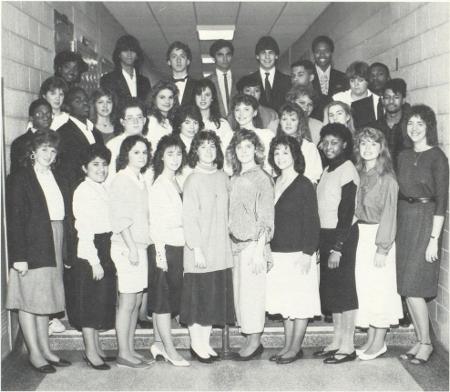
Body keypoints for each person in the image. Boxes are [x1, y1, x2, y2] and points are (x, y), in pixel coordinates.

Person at [6, 130, 71, 373]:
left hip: (54, 237)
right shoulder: (20, 178)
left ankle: (46, 349)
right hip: (32, 243)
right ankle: (34, 352)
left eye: (53, 150)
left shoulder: (57, 176)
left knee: (46, 298)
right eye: (44, 149)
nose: (49, 154)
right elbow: (15, 220)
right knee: (28, 300)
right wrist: (19, 257)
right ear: (33, 151)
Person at [396, 105, 448, 365]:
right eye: (410, 123)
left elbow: (442, 202)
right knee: (406, 287)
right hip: (405, 220)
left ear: (429, 127)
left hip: (427, 221)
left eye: (420, 124)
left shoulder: (437, 156)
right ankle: (419, 339)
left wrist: (434, 239)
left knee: (415, 286)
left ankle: (427, 343)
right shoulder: (403, 155)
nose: (414, 128)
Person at [181, 131, 235, 363]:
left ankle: (205, 343)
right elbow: (189, 217)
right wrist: (197, 248)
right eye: (203, 147)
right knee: (199, 299)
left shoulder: (224, 177)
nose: (208, 151)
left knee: (212, 298)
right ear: (195, 151)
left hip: (220, 247)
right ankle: (197, 343)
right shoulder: (192, 179)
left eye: (212, 146)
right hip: (200, 249)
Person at [266, 135, 320, 364]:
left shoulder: (304, 183)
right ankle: (287, 346)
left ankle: (295, 347)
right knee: (285, 303)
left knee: (300, 304)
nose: (280, 157)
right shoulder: (274, 182)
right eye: (276, 153)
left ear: (295, 155)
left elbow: (312, 221)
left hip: (299, 253)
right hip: (278, 252)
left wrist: (308, 253)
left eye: (285, 152)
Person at [353, 127, 403, 360]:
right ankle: (372, 339)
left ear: (381, 148)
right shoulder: (359, 173)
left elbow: (389, 215)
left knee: (381, 289)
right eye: (363, 143)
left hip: (379, 238)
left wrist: (382, 248)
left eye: (373, 144)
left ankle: (379, 341)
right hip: (362, 236)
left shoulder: (387, 179)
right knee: (367, 290)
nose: (368, 148)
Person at [68, 144, 117, 370]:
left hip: (104, 246)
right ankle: (90, 351)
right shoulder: (83, 191)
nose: (101, 169)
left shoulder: (103, 188)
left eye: (104, 164)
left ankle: (96, 347)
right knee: (89, 303)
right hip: (90, 251)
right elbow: (84, 230)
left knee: (99, 301)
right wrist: (94, 261)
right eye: (95, 165)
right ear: (84, 167)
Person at [227, 129, 274, 360]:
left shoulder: (262, 178)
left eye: (248, 147)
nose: (243, 151)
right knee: (241, 296)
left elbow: (266, 217)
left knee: (253, 295)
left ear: (256, 150)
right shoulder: (234, 177)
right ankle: (250, 338)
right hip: (236, 245)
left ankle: (254, 342)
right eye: (239, 147)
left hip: (253, 245)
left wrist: (259, 250)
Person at [315, 123, 360, 364]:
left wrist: (338, 247)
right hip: (327, 236)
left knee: (345, 291)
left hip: (342, 237)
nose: (329, 147)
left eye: (334, 143)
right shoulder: (327, 169)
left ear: (344, 144)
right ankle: (336, 341)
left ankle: (348, 346)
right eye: (326, 143)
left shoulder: (347, 170)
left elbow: (346, 211)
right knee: (332, 293)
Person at [109, 135, 153, 369]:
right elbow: (120, 218)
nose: (142, 156)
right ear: (126, 154)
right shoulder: (121, 180)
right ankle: (123, 353)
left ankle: (131, 349)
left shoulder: (140, 179)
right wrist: (132, 248)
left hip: (140, 246)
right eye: (136, 152)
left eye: (145, 152)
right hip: (126, 248)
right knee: (127, 301)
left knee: (136, 301)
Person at [148, 135, 190, 367]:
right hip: (165, 248)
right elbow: (156, 225)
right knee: (163, 302)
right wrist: (161, 256)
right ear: (161, 156)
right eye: (170, 154)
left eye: (178, 154)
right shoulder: (159, 185)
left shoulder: (178, 181)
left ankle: (157, 343)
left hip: (178, 245)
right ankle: (171, 350)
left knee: (165, 299)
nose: (175, 159)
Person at [57, 87, 104, 189]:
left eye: (86, 100)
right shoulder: (63, 133)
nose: (85, 104)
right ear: (68, 107)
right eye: (78, 101)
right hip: (77, 191)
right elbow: (66, 171)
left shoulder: (96, 133)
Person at [276, 102, 323, 184]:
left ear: (299, 122)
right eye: (284, 119)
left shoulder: (308, 147)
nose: (288, 123)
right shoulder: (275, 145)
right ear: (280, 122)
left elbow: (313, 179)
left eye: (293, 119)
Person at [100, 35, 151, 109]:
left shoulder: (144, 81)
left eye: (133, 50)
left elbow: (147, 106)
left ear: (137, 55)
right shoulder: (108, 80)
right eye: (125, 50)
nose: (129, 54)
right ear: (119, 54)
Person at [105, 98, 147, 184]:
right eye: (130, 118)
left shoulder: (150, 144)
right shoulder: (113, 145)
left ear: (144, 120)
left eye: (139, 117)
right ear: (122, 122)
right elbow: (109, 179)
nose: (135, 122)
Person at [370, 78, 410, 166]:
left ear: (403, 100)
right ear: (382, 101)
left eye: (396, 97)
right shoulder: (375, 128)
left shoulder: (410, 126)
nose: (391, 101)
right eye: (387, 97)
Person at [231, 94, 274, 174]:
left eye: (246, 109)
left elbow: (270, 166)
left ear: (255, 112)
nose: (241, 114)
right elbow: (228, 168)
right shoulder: (229, 136)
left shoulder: (266, 135)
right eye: (237, 110)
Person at [333, 61, 382, 129]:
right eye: (352, 81)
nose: (356, 84)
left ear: (368, 81)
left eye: (360, 80)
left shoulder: (377, 100)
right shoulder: (338, 98)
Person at [10, 99, 52, 174]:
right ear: (31, 118)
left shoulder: (56, 139)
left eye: (48, 114)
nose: (45, 117)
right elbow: (16, 174)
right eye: (39, 114)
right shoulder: (20, 143)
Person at [248, 36, 291, 112]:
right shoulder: (248, 81)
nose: (267, 57)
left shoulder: (288, 81)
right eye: (263, 53)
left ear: (276, 56)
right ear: (257, 56)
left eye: (270, 53)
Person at [311, 35, 348, 101]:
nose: (322, 55)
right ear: (313, 54)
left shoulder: (343, 77)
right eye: (318, 51)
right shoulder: (307, 77)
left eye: (326, 51)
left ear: (331, 53)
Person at [207, 40, 236, 117]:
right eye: (220, 55)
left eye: (228, 55)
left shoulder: (240, 81)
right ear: (214, 58)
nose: (225, 59)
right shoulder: (206, 82)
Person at [145, 80, 178, 149]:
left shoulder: (168, 120)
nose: (167, 101)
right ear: (154, 99)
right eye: (162, 97)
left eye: (170, 97)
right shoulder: (151, 121)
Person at [167, 41, 197, 106]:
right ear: (169, 62)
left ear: (188, 61)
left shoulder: (198, 85)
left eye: (182, 56)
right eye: (174, 56)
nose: (178, 60)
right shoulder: (162, 87)